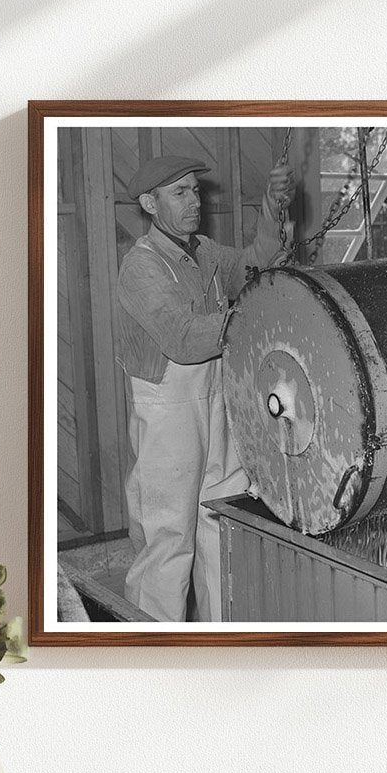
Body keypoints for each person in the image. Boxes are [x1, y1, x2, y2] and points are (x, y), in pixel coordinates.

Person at [116, 154, 295, 622]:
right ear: (150, 204)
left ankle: (218, 640)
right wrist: (253, 317)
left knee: (221, 525)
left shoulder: (205, 252)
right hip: (169, 411)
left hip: (218, 400)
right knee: (169, 537)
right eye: (180, 193)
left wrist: (273, 206)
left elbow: (255, 266)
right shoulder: (142, 267)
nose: (194, 201)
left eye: (195, 191)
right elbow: (184, 339)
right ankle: (149, 646)